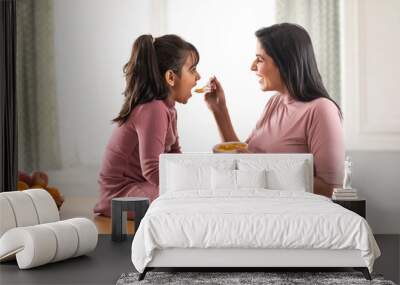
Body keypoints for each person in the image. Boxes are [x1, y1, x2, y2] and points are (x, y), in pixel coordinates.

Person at [205, 23, 344, 197]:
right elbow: (244, 157)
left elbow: (331, 189)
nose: (252, 66)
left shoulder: (321, 110)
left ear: (285, 62)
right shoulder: (274, 103)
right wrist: (219, 110)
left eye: (260, 59)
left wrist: (259, 167)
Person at [94, 34, 201, 216]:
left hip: (141, 186)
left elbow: (174, 156)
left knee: (193, 195)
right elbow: (152, 168)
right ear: (170, 77)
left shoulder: (169, 109)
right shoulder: (154, 109)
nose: (198, 77)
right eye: (192, 70)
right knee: (186, 200)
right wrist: (188, 184)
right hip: (120, 194)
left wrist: (194, 177)